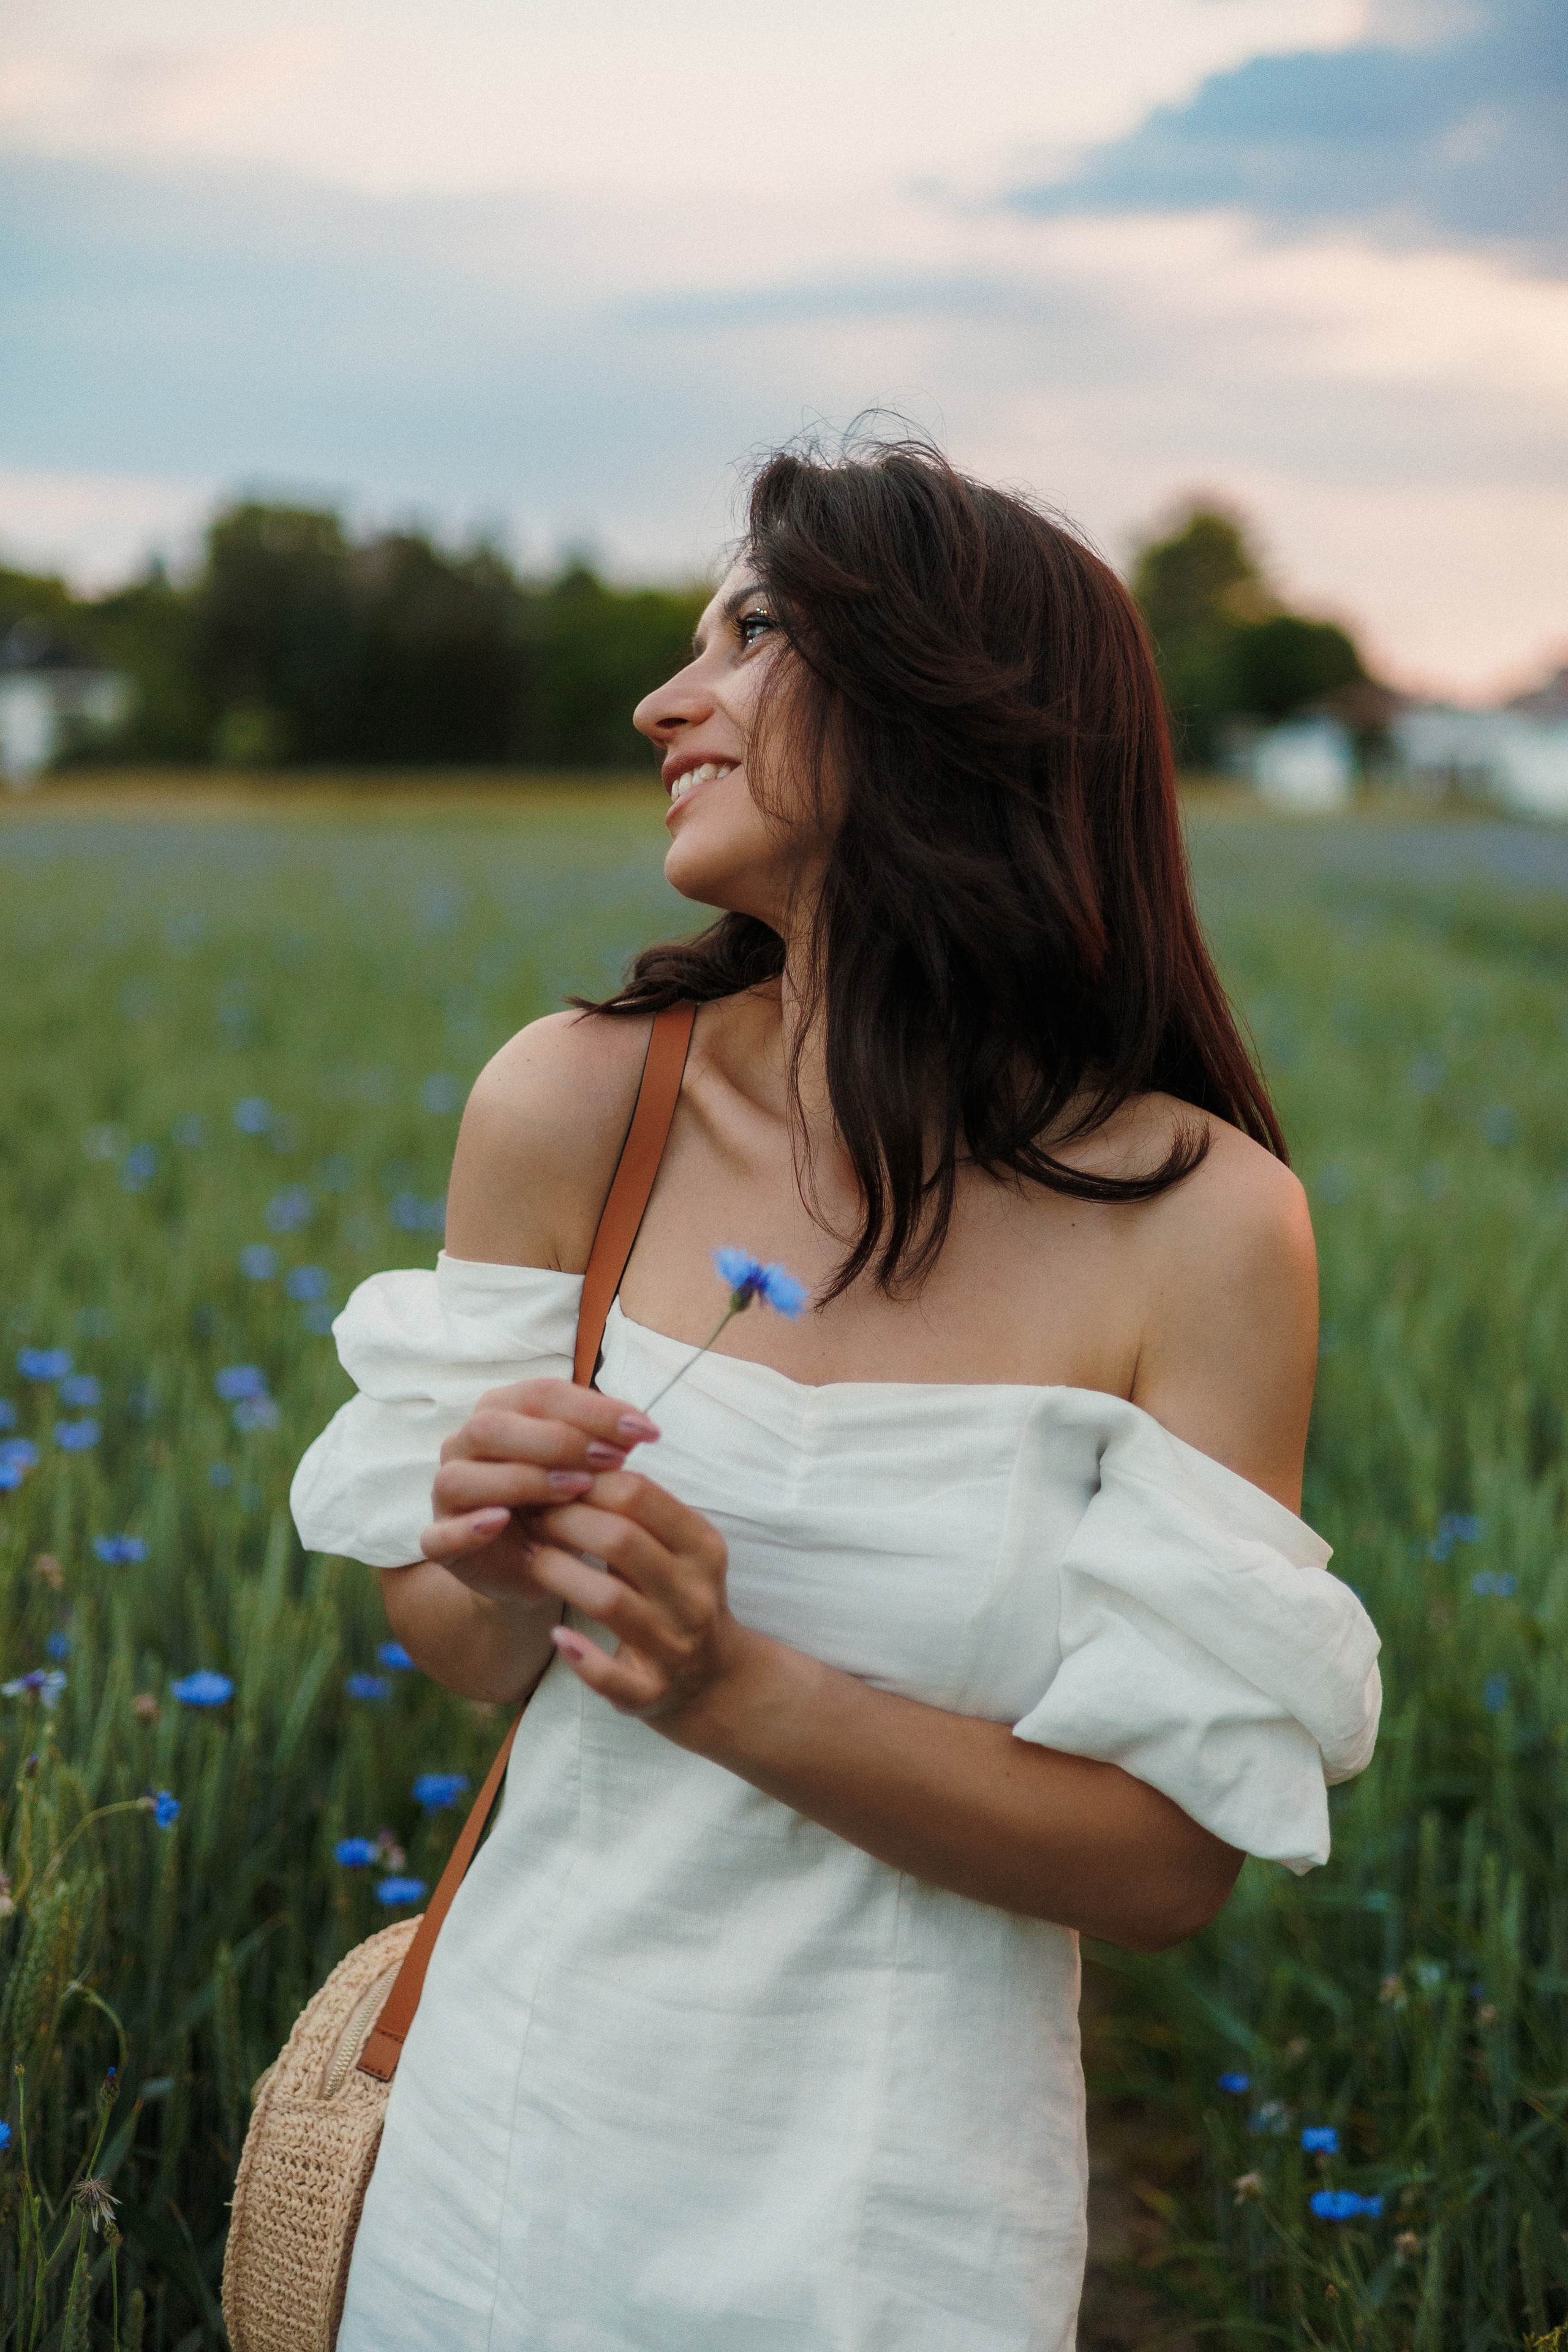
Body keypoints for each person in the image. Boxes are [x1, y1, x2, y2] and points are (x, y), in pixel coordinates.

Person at [292, 437, 1380, 2351]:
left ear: (945, 702)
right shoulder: (575, 1100)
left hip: (898, 2225)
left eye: (752, 633)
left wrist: (736, 1685)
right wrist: (487, 1546)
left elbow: (1164, 1863)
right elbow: (463, 1646)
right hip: (505, 2154)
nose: (665, 697)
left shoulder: (1209, 1228)